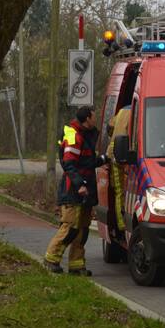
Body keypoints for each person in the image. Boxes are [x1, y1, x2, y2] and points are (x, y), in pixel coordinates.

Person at [45, 106, 107, 275]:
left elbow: (86, 161)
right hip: (73, 189)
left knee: (83, 228)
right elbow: (69, 164)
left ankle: (76, 265)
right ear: (87, 118)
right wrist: (79, 184)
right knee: (71, 226)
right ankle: (51, 259)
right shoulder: (72, 135)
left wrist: (102, 160)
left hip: (86, 189)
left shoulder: (88, 134)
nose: (96, 119)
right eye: (94, 116)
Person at [106, 106, 132, 236]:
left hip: (114, 150)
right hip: (124, 152)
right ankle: (122, 225)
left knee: (119, 191)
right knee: (124, 191)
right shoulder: (138, 109)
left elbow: (109, 126)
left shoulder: (122, 110)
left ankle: (121, 224)